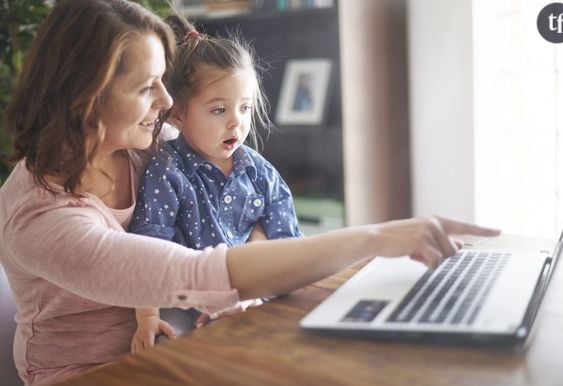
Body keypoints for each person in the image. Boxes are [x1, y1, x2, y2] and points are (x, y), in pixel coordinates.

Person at [0, 1, 500, 385]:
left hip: (188, 342)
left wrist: (262, 237)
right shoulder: (40, 216)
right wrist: (373, 237)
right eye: (148, 87)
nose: (169, 102)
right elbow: (187, 273)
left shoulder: (148, 145)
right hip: (93, 372)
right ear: (87, 94)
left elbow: (238, 204)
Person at [128, 17, 303, 352]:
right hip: (185, 302)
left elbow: (289, 246)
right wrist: (147, 317)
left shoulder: (259, 172)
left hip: (249, 293)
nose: (236, 121)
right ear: (177, 114)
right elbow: (148, 250)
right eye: (219, 109)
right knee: (172, 346)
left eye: (245, 108)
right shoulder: (168, 171)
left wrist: (254, 293)